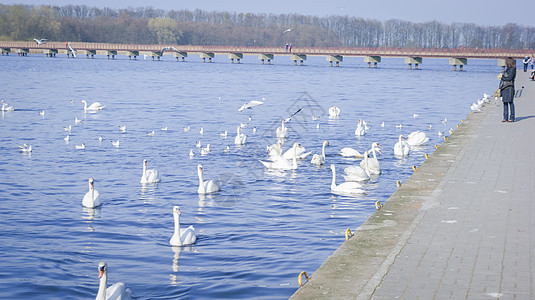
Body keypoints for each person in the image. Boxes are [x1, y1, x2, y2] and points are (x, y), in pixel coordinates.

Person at [499, 57, 516, 122]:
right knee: (505, 103)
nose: (505, 63)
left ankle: (512, 117)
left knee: (510, 102)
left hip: (509, 87)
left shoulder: (512, 69)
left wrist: (502, 77)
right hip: (505, 87)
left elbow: (509, 78)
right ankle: (505, 117)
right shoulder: (508, 69)